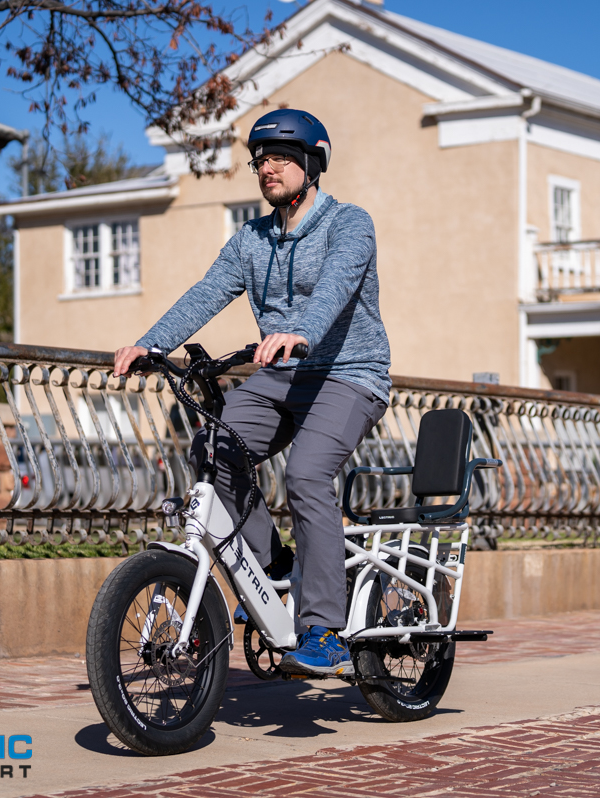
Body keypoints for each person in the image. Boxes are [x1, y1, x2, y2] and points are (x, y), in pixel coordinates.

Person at [112, 109, 391, 677]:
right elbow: (207, 293)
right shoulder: (251, 240)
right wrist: (149, 343)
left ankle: (323, 628)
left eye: (281, 158)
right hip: (281, 376)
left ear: (312, 165)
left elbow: (335, 285)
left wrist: (302, 332)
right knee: (212, 451)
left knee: (307, 474)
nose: (268, 168)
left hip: (349, 373)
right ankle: (274, 568)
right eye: (260, 160)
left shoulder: (349, 224)